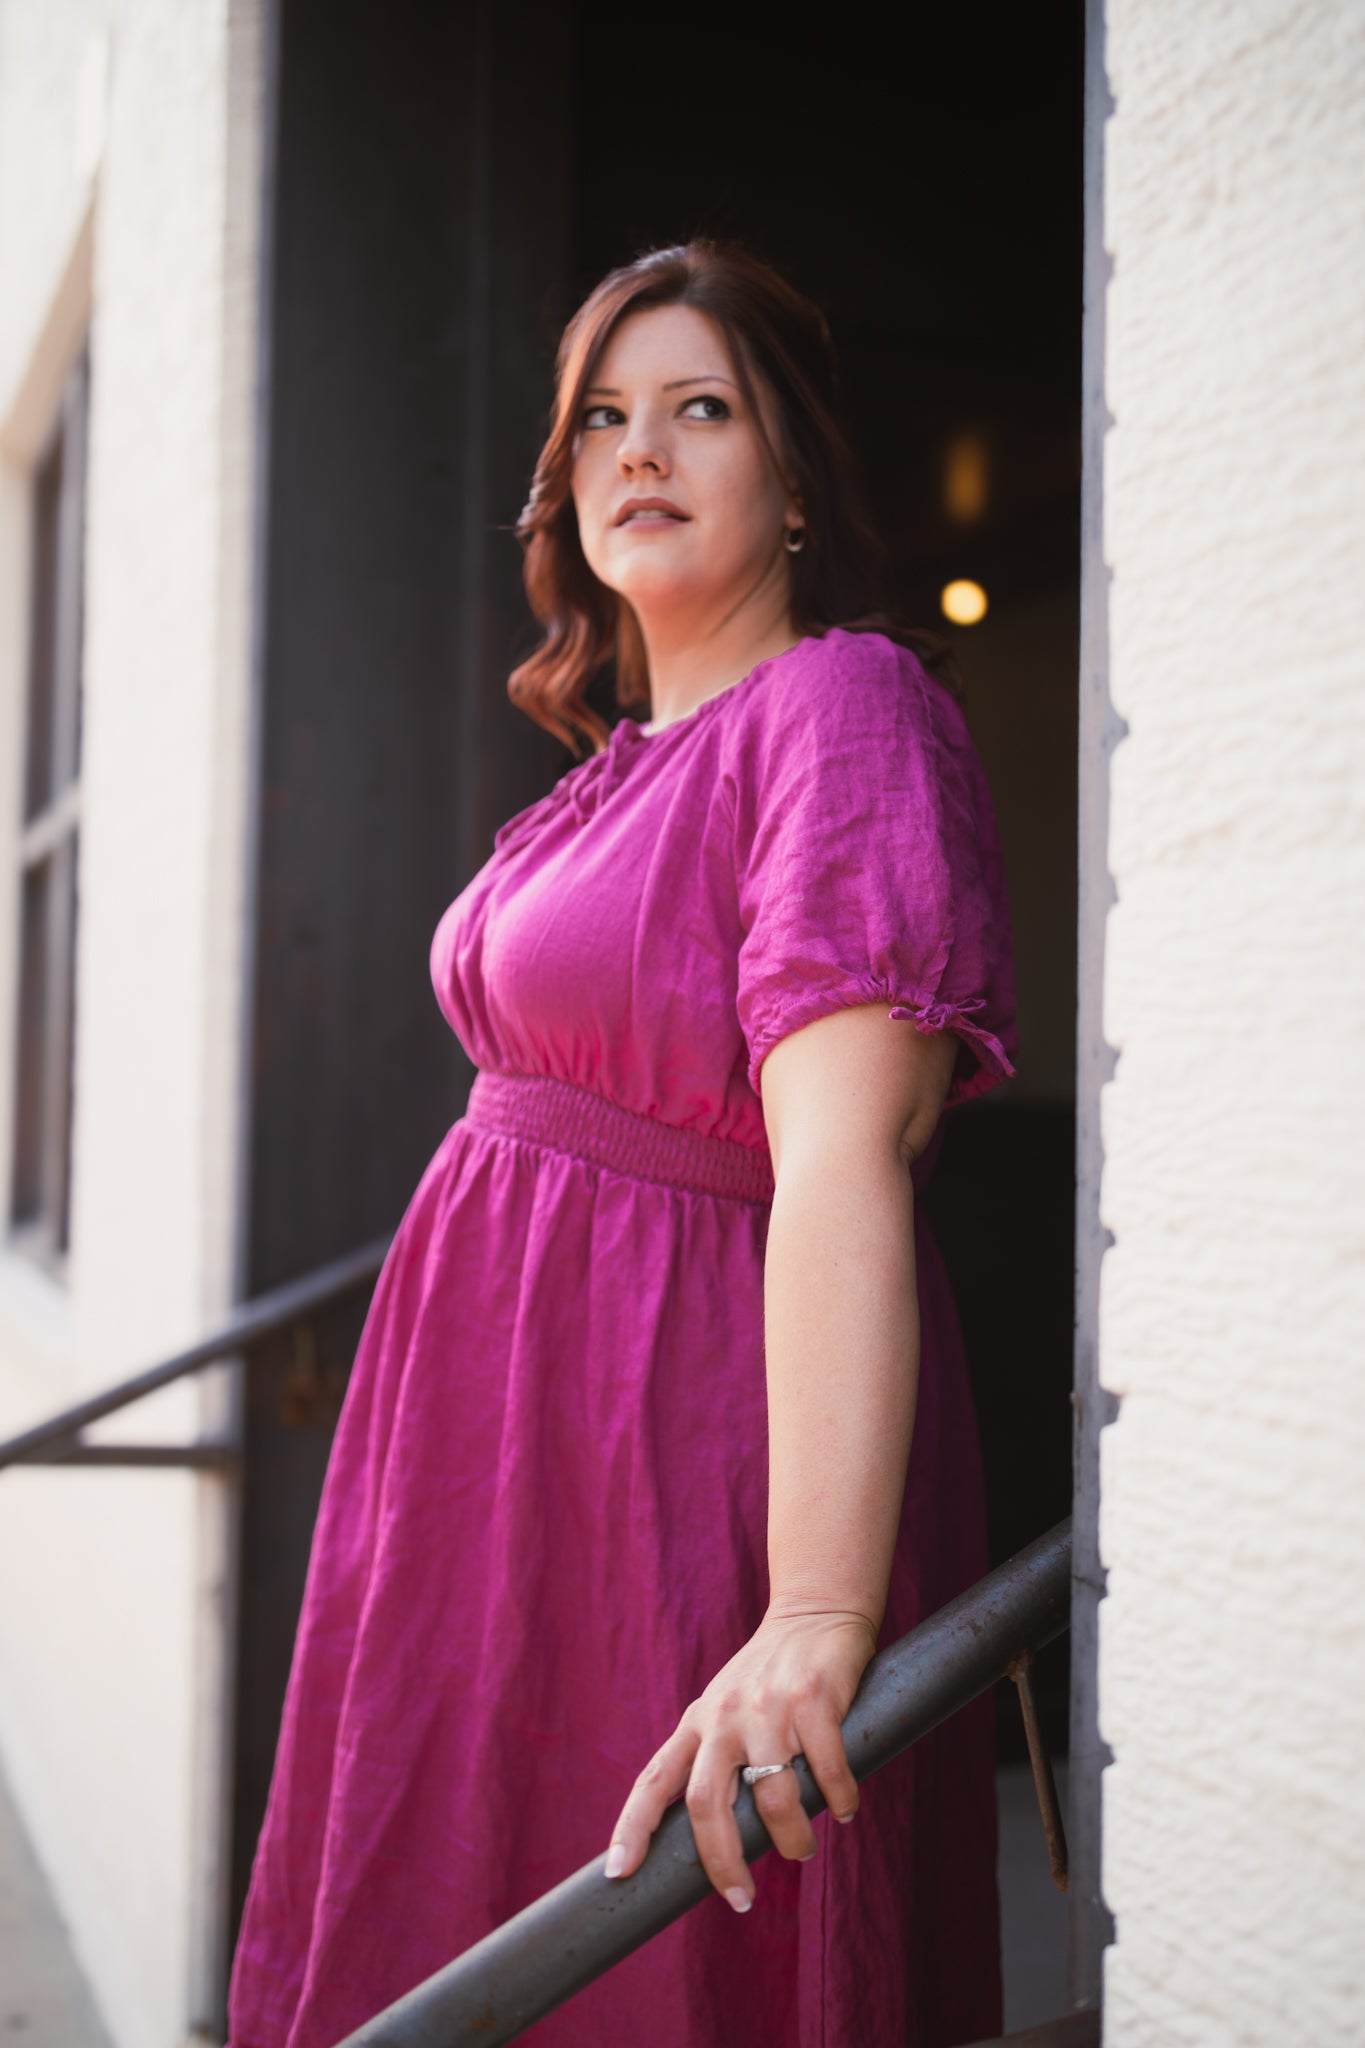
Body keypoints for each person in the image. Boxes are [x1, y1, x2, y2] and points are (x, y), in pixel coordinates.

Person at [227, 241, 1017, 2048]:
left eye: (699, 409)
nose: (637, 451)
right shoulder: (611, 765)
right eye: (601, 417)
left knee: (654, 1952)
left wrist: (814, 1607)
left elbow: (840, 1158)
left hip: (678, 1455)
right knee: (457, 1910)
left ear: (794, 472)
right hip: (490, 1453)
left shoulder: (843, 710)